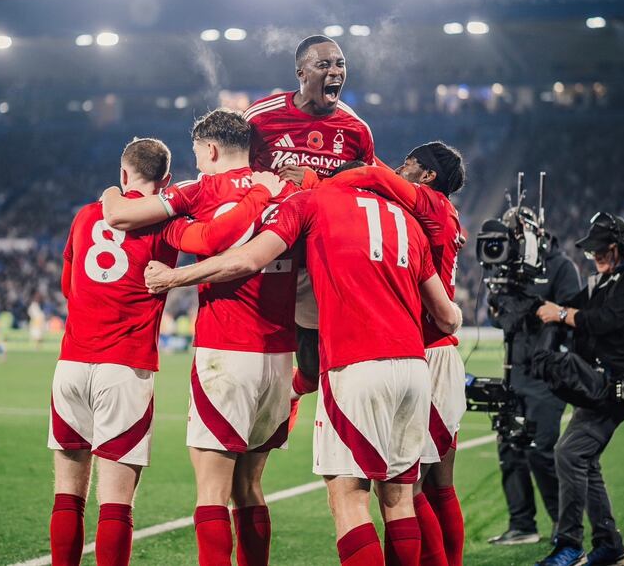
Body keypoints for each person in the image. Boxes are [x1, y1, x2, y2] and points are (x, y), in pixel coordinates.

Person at [145, 170, 464, 566]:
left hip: (354, 364)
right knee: (400, 499)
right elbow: (447, 317)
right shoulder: (406, 221)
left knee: (348, 497)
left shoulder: (311, 202)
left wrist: (173, 277)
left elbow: (247, 258)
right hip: (415, 369)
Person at [50, 137, 280, 566]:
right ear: (168, 180)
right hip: (125, 367)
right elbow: (214, 238)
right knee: (116, 501)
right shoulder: (166, 225)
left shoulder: (85, 217)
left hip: (71, 365)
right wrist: (259, 193)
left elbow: (68, 288)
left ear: (123, 175)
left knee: (68, 493)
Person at [102, 109, 297, 566]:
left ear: (209, 150)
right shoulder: (285, 189)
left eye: (198, 156)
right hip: (278, 355)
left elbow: (122, 214)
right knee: (250, 487)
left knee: (213, 491)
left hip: (226, 350)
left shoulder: (202, 188)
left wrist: (115, 190)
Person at [308, 143, 470, 566]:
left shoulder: (429, 203)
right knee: (428, 489)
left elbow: (377, 177)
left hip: (426, 348)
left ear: (428, 175)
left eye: (408, 165)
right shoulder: (435, 214)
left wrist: (320, 181)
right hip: (429, 351)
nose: (398, 170)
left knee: (413, 492)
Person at [244, 34, 377, 406]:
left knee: (311, 366)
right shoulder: (260, 118)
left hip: (318, 260)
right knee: (253, 371)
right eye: (325, 65)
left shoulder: (356, 130)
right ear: (301, 72)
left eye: (340, 65)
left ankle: (293, 400)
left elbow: (365, 189)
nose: (335, 71)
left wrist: (316, 181)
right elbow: (230, 171)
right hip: (265, 255)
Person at [534, 212, 624, 566]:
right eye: (593, 252)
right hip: (602, 384)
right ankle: (609, 546)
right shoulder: (609, 279)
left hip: (621, 386)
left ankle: (570, 546)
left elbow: (604, 321)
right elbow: (576, 304)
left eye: (602, 250)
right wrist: (538, 302)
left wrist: (559, 315)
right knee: (583, 459)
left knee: (570, 454)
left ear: (620, 247)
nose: (596, 257)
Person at [487, 216, 581, 547]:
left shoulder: (561, 266)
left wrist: (549, 311)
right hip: (514, 373)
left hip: (548, 375)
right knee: (510, 448)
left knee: (541, 450)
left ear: (533, 232)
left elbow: (574, 315)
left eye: (515, 234)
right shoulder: (507, 268)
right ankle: (522, 523)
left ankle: (564, 524)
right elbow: (500, 321)